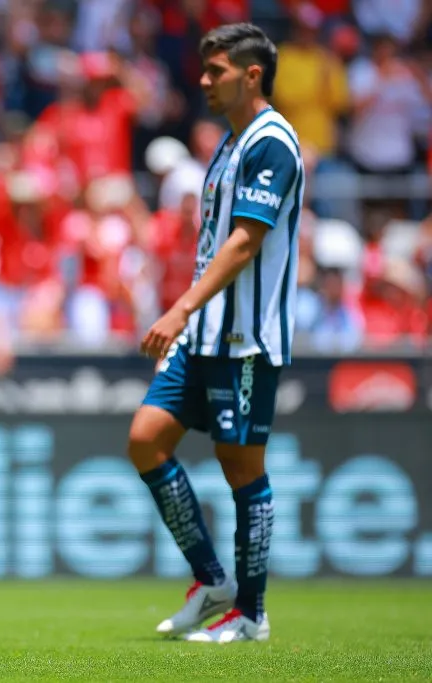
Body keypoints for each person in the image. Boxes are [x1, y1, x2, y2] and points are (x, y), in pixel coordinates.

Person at [129, 23, 304, 643]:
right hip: (202, 334)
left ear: (252, 74)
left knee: (241, 467)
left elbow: (243, 244)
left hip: (246, 338)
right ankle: (212, 580)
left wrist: (177, 309)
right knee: (146, 439)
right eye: (204, 70)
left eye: (217, 70)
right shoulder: (228, 146)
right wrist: (186, 322)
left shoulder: (272, 143)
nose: (203, 80)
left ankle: (251, 613)